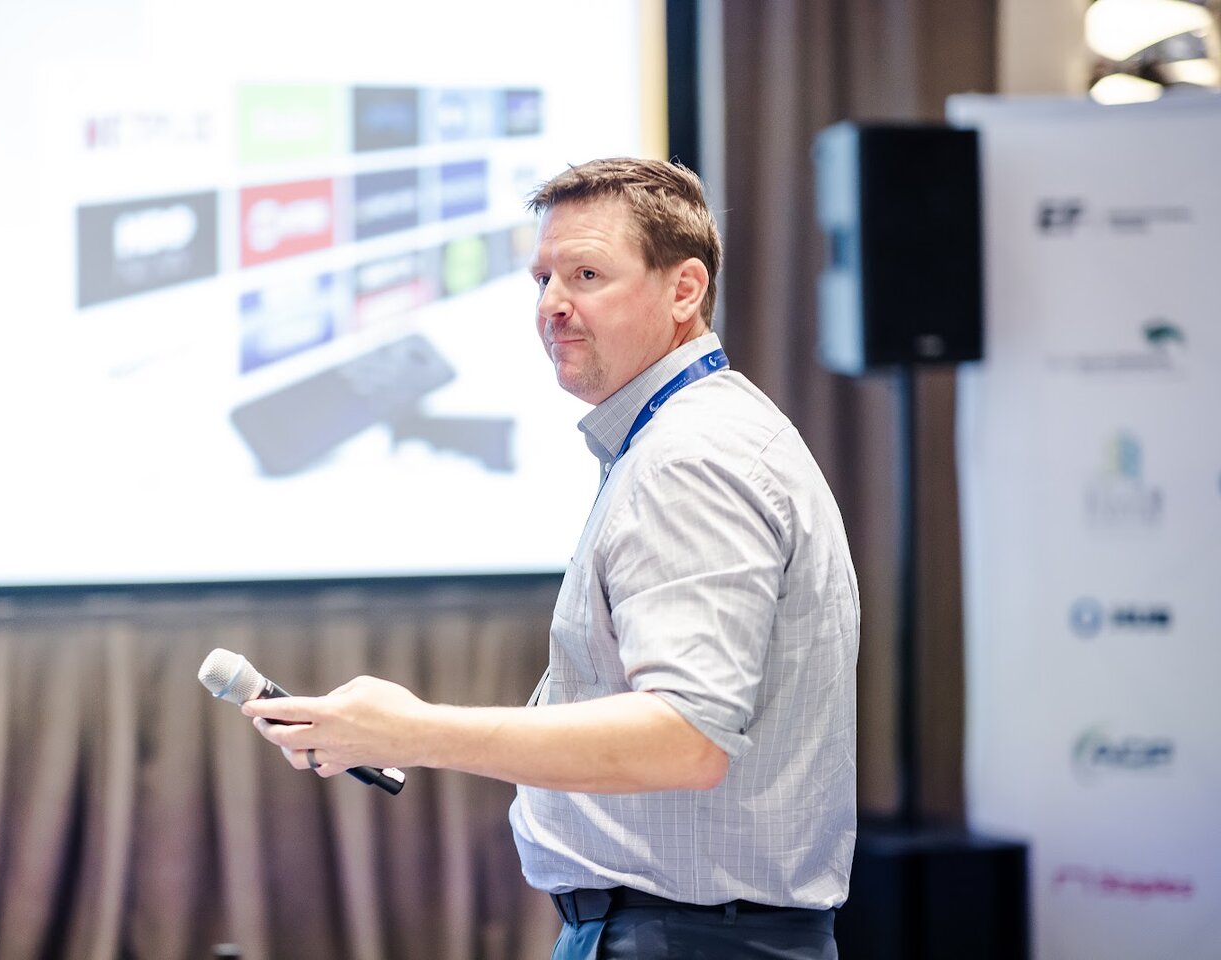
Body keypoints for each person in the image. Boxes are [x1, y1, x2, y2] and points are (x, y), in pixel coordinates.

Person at [243, 157, 860, 959]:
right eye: (542, 279)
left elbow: (686, 737)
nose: (551, 305)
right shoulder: (692, 435)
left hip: (682, 940)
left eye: (587, 275)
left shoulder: (689, 459)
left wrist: (414, 732)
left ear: (685, 290)